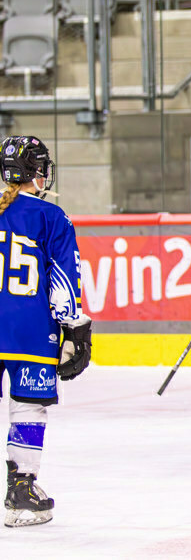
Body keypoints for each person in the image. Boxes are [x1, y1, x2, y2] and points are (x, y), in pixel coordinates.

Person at [0, 136, 92, 527]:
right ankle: (21, 489)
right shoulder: (50, 216)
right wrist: (75, 328)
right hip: (30, 328)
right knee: (28, 406)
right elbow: (64, 279)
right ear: (37, 172)